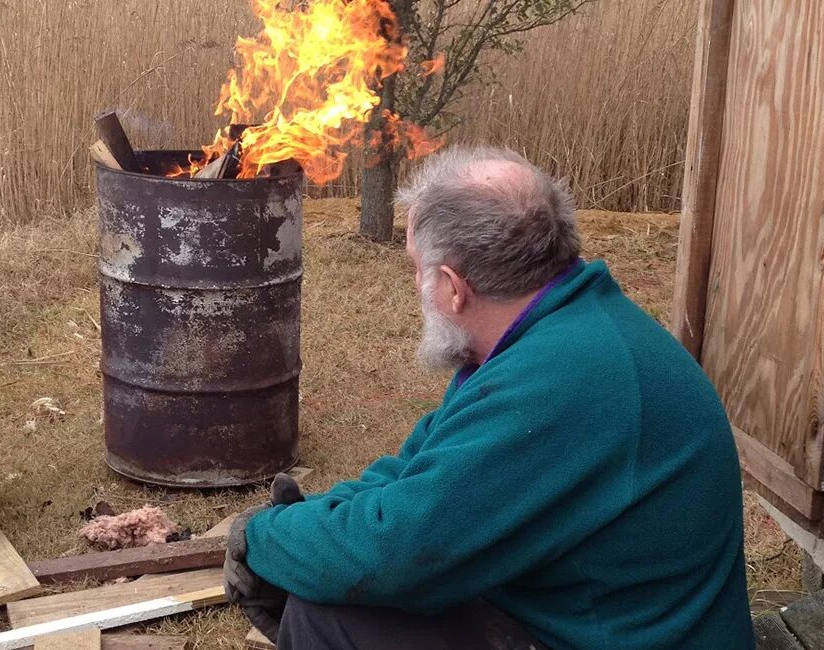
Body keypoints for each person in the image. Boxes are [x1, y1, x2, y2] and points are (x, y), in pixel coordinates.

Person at [224, 146, 755, 649]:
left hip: (615, 635)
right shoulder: (549, 333)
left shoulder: (560, 381)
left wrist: (265, 541)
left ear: (454, 287)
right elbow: (418, 472)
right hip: (584, 612)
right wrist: (317, 522)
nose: (417, 286)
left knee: (332, 621)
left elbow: (399, 553)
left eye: (417, 269)